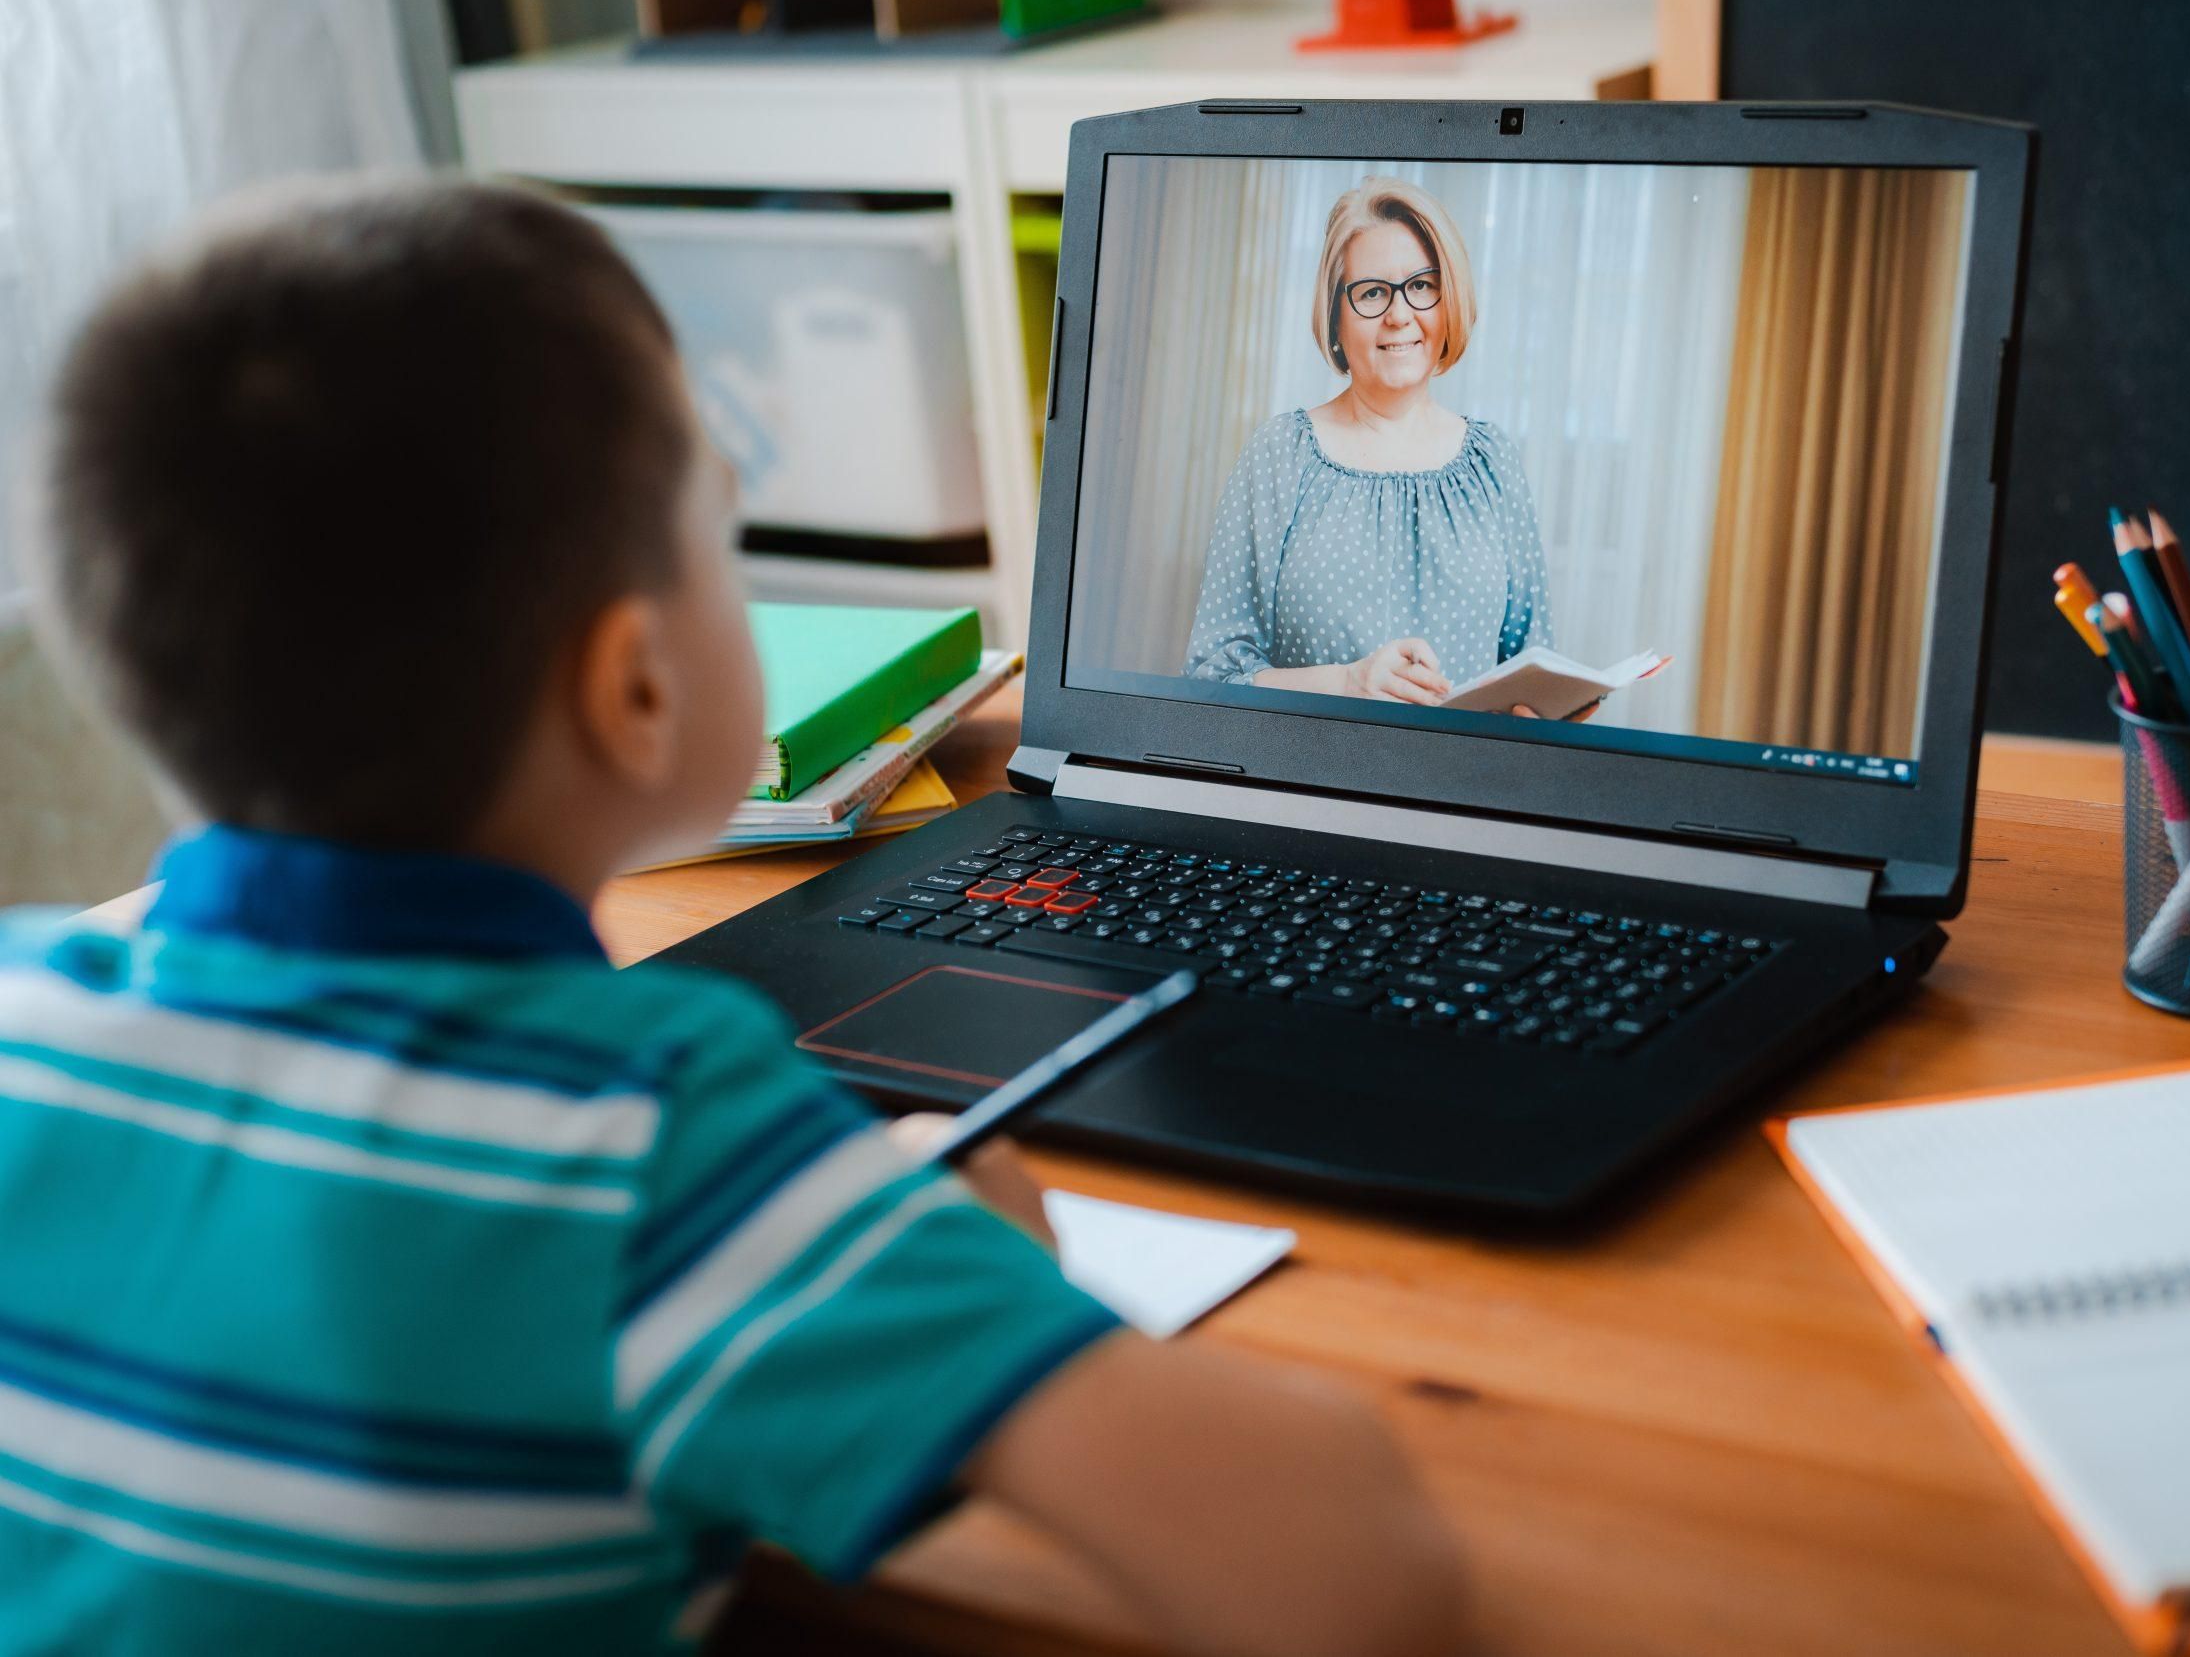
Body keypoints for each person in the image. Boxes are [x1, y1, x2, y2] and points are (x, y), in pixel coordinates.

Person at [2, 178, 1465, 1657]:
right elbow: (1363, 1577)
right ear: (633, 687)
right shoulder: (658, 1156)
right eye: (722, 528)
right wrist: (991, 1284)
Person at [1183, 176, 1557, 715]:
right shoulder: (1279, 454)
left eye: (1422, 286)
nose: (1399, 315)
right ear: (1335, 315)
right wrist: (1349, 683)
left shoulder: (1494, 460)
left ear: (1449, 300)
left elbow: (1530, 663)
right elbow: (1209, 678)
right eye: (1373, 292)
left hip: (1461, 792)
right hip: (1310, 787)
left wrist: (1549, 708)